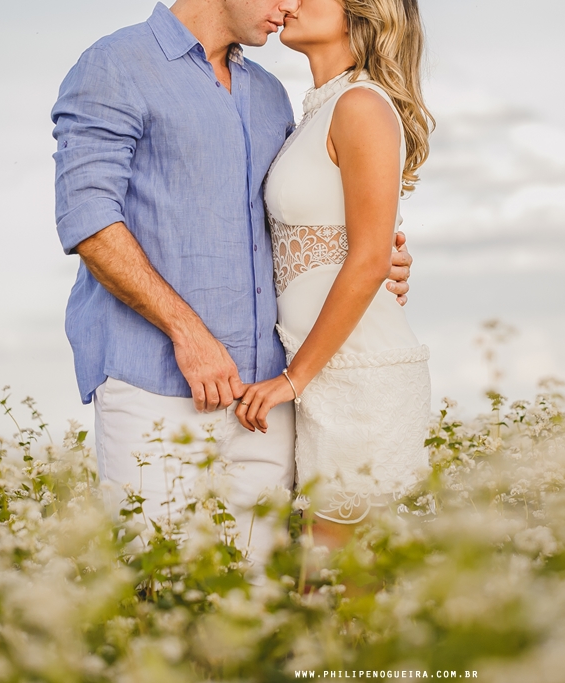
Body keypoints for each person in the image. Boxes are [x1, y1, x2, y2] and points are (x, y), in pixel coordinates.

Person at [50, 0, 413, 568]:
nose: (290, 4)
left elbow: (299, 220)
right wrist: (187, 333)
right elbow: (88, 220)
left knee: (256, 600)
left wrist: (377, 257)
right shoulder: (116, 65)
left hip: (265, 396)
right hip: (154, 381)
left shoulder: (270, 94)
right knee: (160, 588)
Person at [233, 0, 433, 548]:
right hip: (323, 374)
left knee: (338, 589)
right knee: (322, 589)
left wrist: (292, 379)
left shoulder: (361, 104)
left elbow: (368, 259)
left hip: (358, 377)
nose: (289, 2)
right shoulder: (317, 112)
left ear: (360, 14)